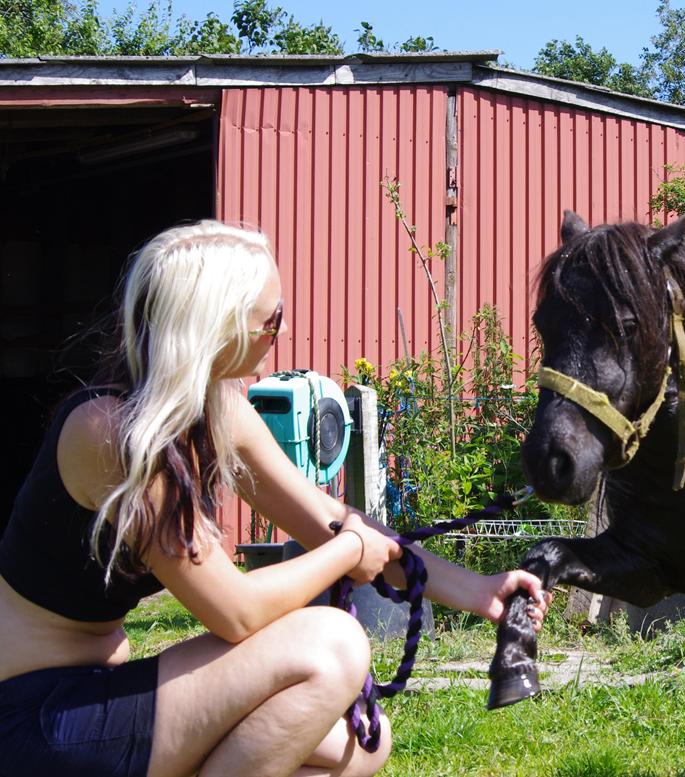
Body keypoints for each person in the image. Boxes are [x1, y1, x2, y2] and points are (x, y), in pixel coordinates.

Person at [0, 221, 551, 777]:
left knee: (361, 748)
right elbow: (237, 612)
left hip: (95, 696)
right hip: (32, 718)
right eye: (272, 318)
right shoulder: (114, 434)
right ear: (216, 325)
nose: (280, 333)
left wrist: (480, 591)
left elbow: (332, 520)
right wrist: (345, 553)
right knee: (332, 643)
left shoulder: (219, 410)